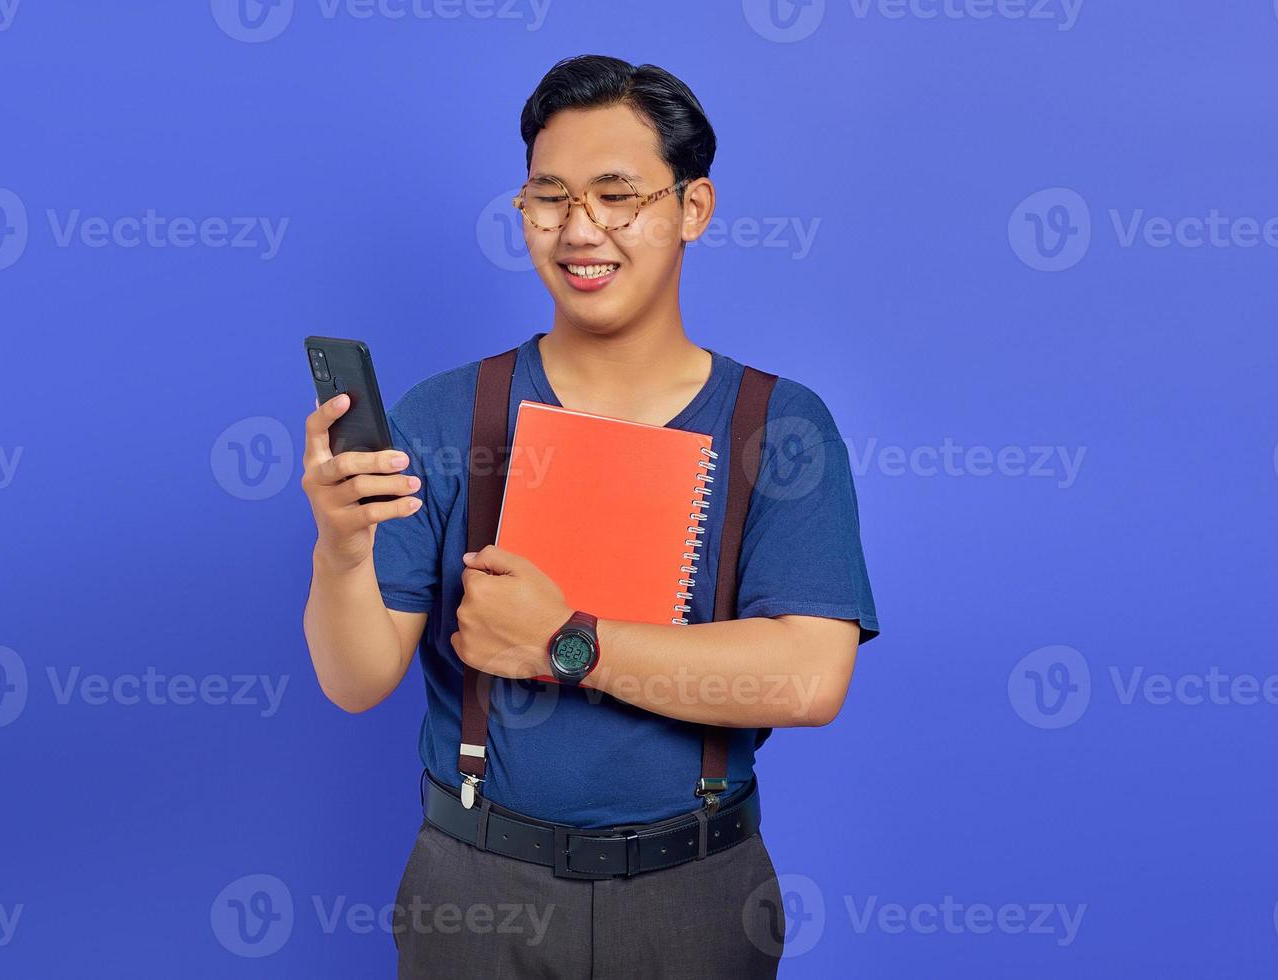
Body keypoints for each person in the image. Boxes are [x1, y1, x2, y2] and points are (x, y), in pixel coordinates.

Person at [300, 54, 879, 979]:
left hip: (697, 888)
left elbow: (809, 677)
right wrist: (339, 549)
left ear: (693, 209)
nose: (580, 230)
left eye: (618, 196)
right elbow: (356, 678)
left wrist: (565, 641)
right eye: (549, 197)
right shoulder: (448, 416)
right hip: (476, 886)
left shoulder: (782, 426)